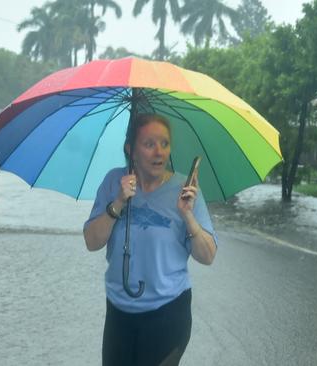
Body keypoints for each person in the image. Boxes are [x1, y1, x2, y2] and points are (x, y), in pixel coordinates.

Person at [83, 113, 217, 366]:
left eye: (164, 144)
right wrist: (119, 201)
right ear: (130, 150)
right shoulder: (114, 182)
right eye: (149, 144)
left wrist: (187, 215)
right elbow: (92, 241)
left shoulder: (185, 191)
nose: (159, 152)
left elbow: (207, 255)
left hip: (167, 313)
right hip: (119, 314)